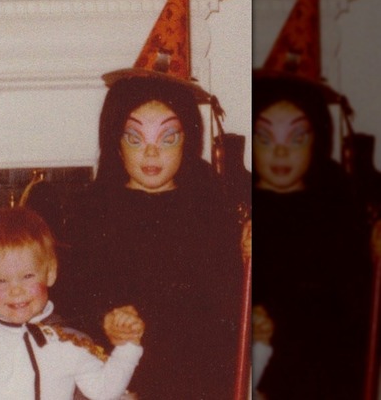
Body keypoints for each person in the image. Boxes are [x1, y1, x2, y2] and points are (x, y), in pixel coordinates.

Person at [55, 76, 244, 399]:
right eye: (135, 138)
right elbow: (75, 291)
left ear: (188, 141)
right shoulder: (92, 209)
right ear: (116, 141)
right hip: (118, 373)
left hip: (193, 376)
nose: (152, 152)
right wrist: (106, 318)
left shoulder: (209, 210)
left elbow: (229, 303)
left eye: (168, 138)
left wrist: (246, 253)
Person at [0, 206, 144, 400]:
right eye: (1, 280)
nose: (15, 290)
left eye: (28, 276)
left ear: (50, 273)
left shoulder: (70, 344)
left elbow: (103, 391)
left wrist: (127, 348)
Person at [251, 76, 371, 399]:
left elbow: (352, 315)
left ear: (316, 139)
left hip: (318, 374)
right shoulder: (238, 207)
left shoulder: (337, 211)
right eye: (264, 138)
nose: (279, 151)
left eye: (296, 138)